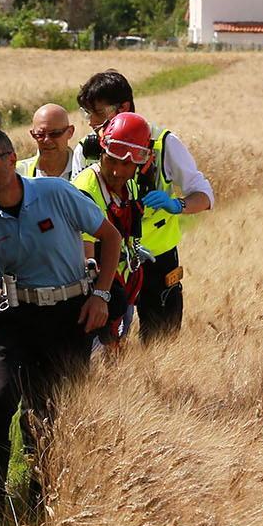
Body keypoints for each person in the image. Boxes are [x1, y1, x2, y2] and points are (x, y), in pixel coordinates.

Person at [0, 126, 121, 526]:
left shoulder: (56, 194)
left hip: (70, 316)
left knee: (51, 413)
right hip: (17, 318)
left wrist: (101, 295)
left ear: (11, 159)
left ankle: (44, 500)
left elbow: (110, 236)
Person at [75, 70, 213, 340]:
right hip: (109, 261)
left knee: (162, 339)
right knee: (108, 344)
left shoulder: (165, 143)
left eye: (98, 113)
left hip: (158, 258)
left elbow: (205, 195)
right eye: (87, 113)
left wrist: (177, 204)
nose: (91, 121)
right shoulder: (87, 149)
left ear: (123, 107)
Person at [72, 112, 158, 350]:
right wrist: (100, 297)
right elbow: (86, 259)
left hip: (122, 289)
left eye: (126, 164)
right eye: (111, 161)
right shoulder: (85, 191)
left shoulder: (129, 186)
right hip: (98, 298)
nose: (117, 171)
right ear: (100, 152)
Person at [16, 103, 81, 179]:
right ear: (32, 134)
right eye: (40, 135)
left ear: (70, 132)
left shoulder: (85, 170)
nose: (47, 140)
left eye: (55, 133)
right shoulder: (18, 173)